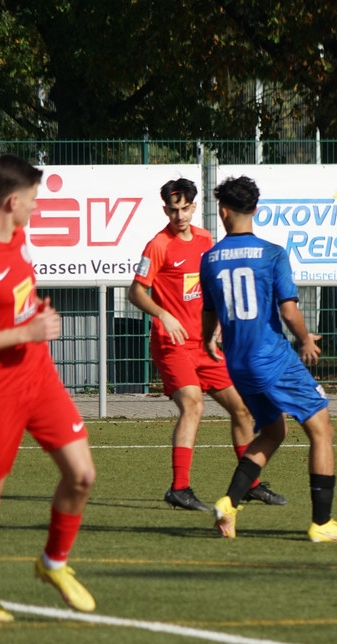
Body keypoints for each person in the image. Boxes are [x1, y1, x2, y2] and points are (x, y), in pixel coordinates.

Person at [0, 154, 97, 621]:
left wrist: (37, 316)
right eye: (33, 201)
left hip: (39, 379)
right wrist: (24, 332)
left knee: (82, 475)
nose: (37, 208)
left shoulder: (20, 238)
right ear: (11, 202)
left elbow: (17, 299)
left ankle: (53, 563)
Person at [201, 176, 337, 543]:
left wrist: (207, 339)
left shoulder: (210, 259)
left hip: (238, 363)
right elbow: (288, 310)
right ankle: (322, 524)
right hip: (272, 358)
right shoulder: (272, 253)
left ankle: (229, 503)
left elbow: (209, 312)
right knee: (322, 429)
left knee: (274, 432)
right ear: (256, 210)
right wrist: (305, 340)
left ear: (223, 212)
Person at [128, 178, 286, 511]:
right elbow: (135, 292)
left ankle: (250, 485)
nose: (180, 216)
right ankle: (179, 488)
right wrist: (163, 314)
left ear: (194, 207)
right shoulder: (158, 245)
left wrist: (217, 328)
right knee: (193, 405)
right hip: (172, 344)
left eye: (185, 208)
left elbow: (211, 289)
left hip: (204, 344)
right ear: (165, 210)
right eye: (173, 210)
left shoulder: (204, 240)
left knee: (242, 409)